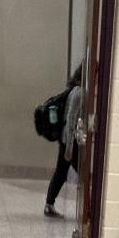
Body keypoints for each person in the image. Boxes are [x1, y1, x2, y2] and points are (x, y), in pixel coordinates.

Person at [44, 64, 83, 218]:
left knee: (60, 172)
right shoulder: (79, 93)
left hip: (65, 139)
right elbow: (71, 119)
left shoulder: (73, 90)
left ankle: (49, 204)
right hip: (69, 141)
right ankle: (89, 208)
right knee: (85, 174)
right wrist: (69, 148)